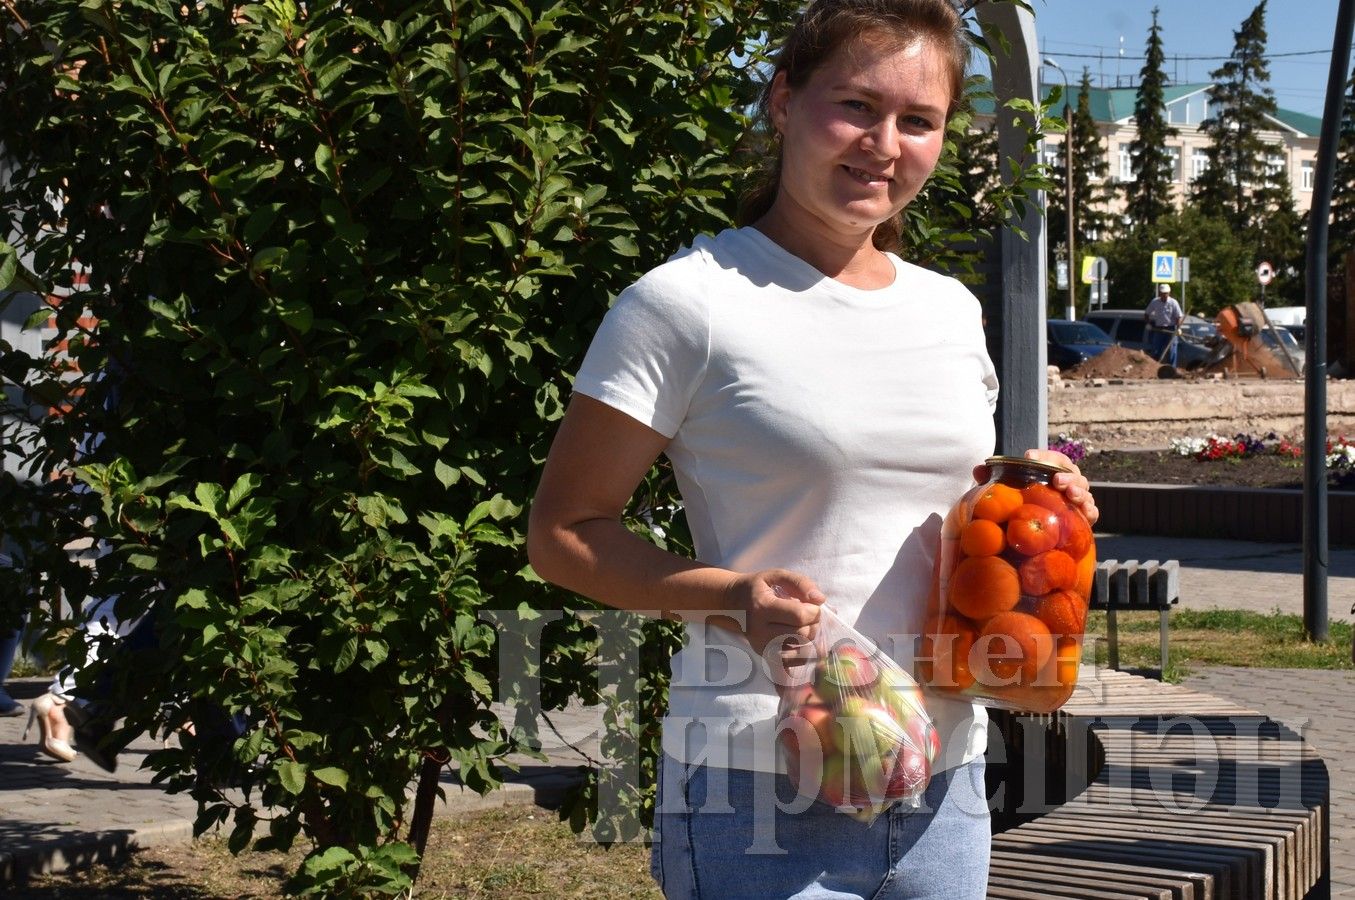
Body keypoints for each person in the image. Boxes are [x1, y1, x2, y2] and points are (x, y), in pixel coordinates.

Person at [527, 1, 1099, 896]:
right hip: (754, 786)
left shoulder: (948, 310)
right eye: (857, 106)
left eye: (918, 121)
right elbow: (563, 534)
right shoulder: (686, 304)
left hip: (942, 784)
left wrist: (1031, 494)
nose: (883, 142)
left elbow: (925, 506)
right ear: (782, 100)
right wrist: (731, 598)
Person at [1145, 283, 1183, 366]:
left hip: (1171, 329)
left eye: (1166, 293)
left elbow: (1179, 316)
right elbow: (1146, 313)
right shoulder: (1155, 302)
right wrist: (1148, 324)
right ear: (1160, 293)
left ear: (1169, 293)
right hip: (1158, 329)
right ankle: (1154, 368)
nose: (1164, 295)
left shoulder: (1173, 302)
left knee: (1172, 351)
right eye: (1163, 293)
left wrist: (1178, 328)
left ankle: (1172, 369)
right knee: (1156, 350)